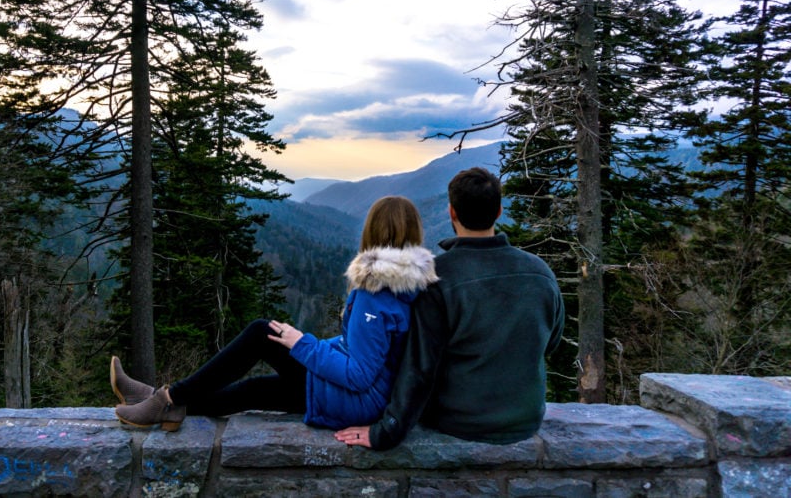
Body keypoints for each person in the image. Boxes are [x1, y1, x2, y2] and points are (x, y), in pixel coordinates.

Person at [110, 195, 438, 432]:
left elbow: (359, 375)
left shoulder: (375, 294)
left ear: (372, 232)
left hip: (357, 399)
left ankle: (165, 397)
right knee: (253, 390)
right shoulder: (409, 287)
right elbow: (371, 348)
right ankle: (163, 401)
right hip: (366, 397)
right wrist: (317, 345)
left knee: (261, 333)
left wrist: (303, 344)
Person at [335, 167, 565, 450]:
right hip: (525, 420)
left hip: (458, 420)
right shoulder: (540, 273)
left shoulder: (438, 277)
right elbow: (551, 343)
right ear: (499, 212)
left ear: (452, 213)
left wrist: (387, 431)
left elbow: (419, 369)